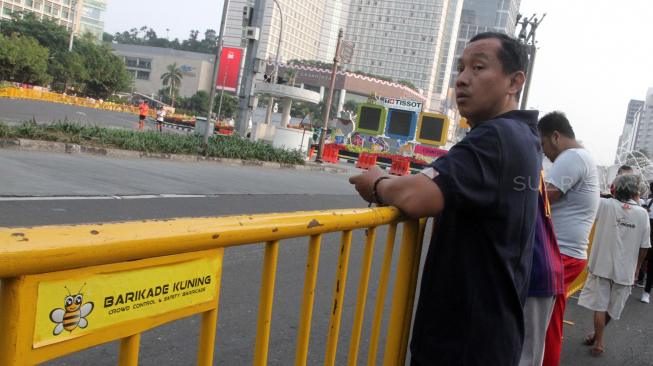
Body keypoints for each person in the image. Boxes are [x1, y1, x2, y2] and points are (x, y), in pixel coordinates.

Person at [350, 32, 541, 365]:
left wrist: (377, 182)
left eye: (478, 68)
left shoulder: (496, 137)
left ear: (514, 82)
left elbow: (416, 195)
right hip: (490, 335)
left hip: (465, 345)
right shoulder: (523, 136)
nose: (462, 79)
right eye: (461, 68)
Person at [538, 111, 600, 366]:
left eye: (542, 145)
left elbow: (542, 198)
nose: (544, 153)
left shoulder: (571, 157)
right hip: (569, 253)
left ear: (555, 136)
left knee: (540, 323)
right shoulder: (583, 157)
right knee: (548, 323)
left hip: (560, 252)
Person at [578, 174, 650, 356]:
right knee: (611, 307)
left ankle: (598, 339)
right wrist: (637, 268)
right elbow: (644, 247)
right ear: (635, 191)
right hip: (625, 270)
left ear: (615, 188)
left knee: (600, 306)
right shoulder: (642, 214)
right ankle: (598, 339)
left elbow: (586, 200)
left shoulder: (605, 205)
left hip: (601, 264)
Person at [518, 173, 564, 366]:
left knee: (525, 356)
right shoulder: (531, 161)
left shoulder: (513, 152)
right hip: (543, 264)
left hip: (535, 269)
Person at [639, 181, 653, 302]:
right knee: (639, 260)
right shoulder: (646, 202)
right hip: (645, 234)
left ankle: (647, 291)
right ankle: (645, 291)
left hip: (645, 235)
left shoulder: (646, 202)